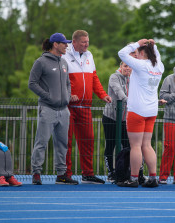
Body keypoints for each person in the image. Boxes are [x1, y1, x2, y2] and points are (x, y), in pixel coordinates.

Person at [62, 30, 112, 184]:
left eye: (87, 41)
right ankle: (65, 174)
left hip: (85, 106)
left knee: (88, 140)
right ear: (74, 42)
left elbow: (94, 77)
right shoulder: (64, 55)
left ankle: (87, 174)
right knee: (66, 141)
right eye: (83, 42)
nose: (86, 44)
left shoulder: (89, 55)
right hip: (68, 107)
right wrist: (68, 95)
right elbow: (59, 80)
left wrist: (102, 94)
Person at [29, 33, 78, 185]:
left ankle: (61, 174)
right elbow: (32, 83)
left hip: (64, 110)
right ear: (55, 44)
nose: (67, 46)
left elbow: (68, 83)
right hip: (47, 109)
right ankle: (36, 173)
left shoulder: (63, 62)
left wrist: (67, 96)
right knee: (41, 142)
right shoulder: (40, 62)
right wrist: (48, 96)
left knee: (63, 144)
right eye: (64, 43)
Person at [117, 39, 165, 187]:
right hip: (151, 110)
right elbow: (157, 55)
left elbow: (121, 53)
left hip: (137, 110)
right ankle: (152, 178)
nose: (135, 55)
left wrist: (136, 43)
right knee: (147, 145)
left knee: (136, 146)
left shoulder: (140, 65)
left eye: (137, 53)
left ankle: (133, 178)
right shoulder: (159, 66)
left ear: (142, 52)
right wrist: (153, 46)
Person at [102, 61, 131, 183]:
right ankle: (111, 172)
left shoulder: (133, 78)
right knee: (111, 144)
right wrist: (130, 101)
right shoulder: (114, 77)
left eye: (130, 67)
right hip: (111, 116)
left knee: (128, 145)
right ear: (120, 66)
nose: (127, 69)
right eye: (125, 66)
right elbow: (119, 92)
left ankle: (125, 171)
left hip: (125, 118)